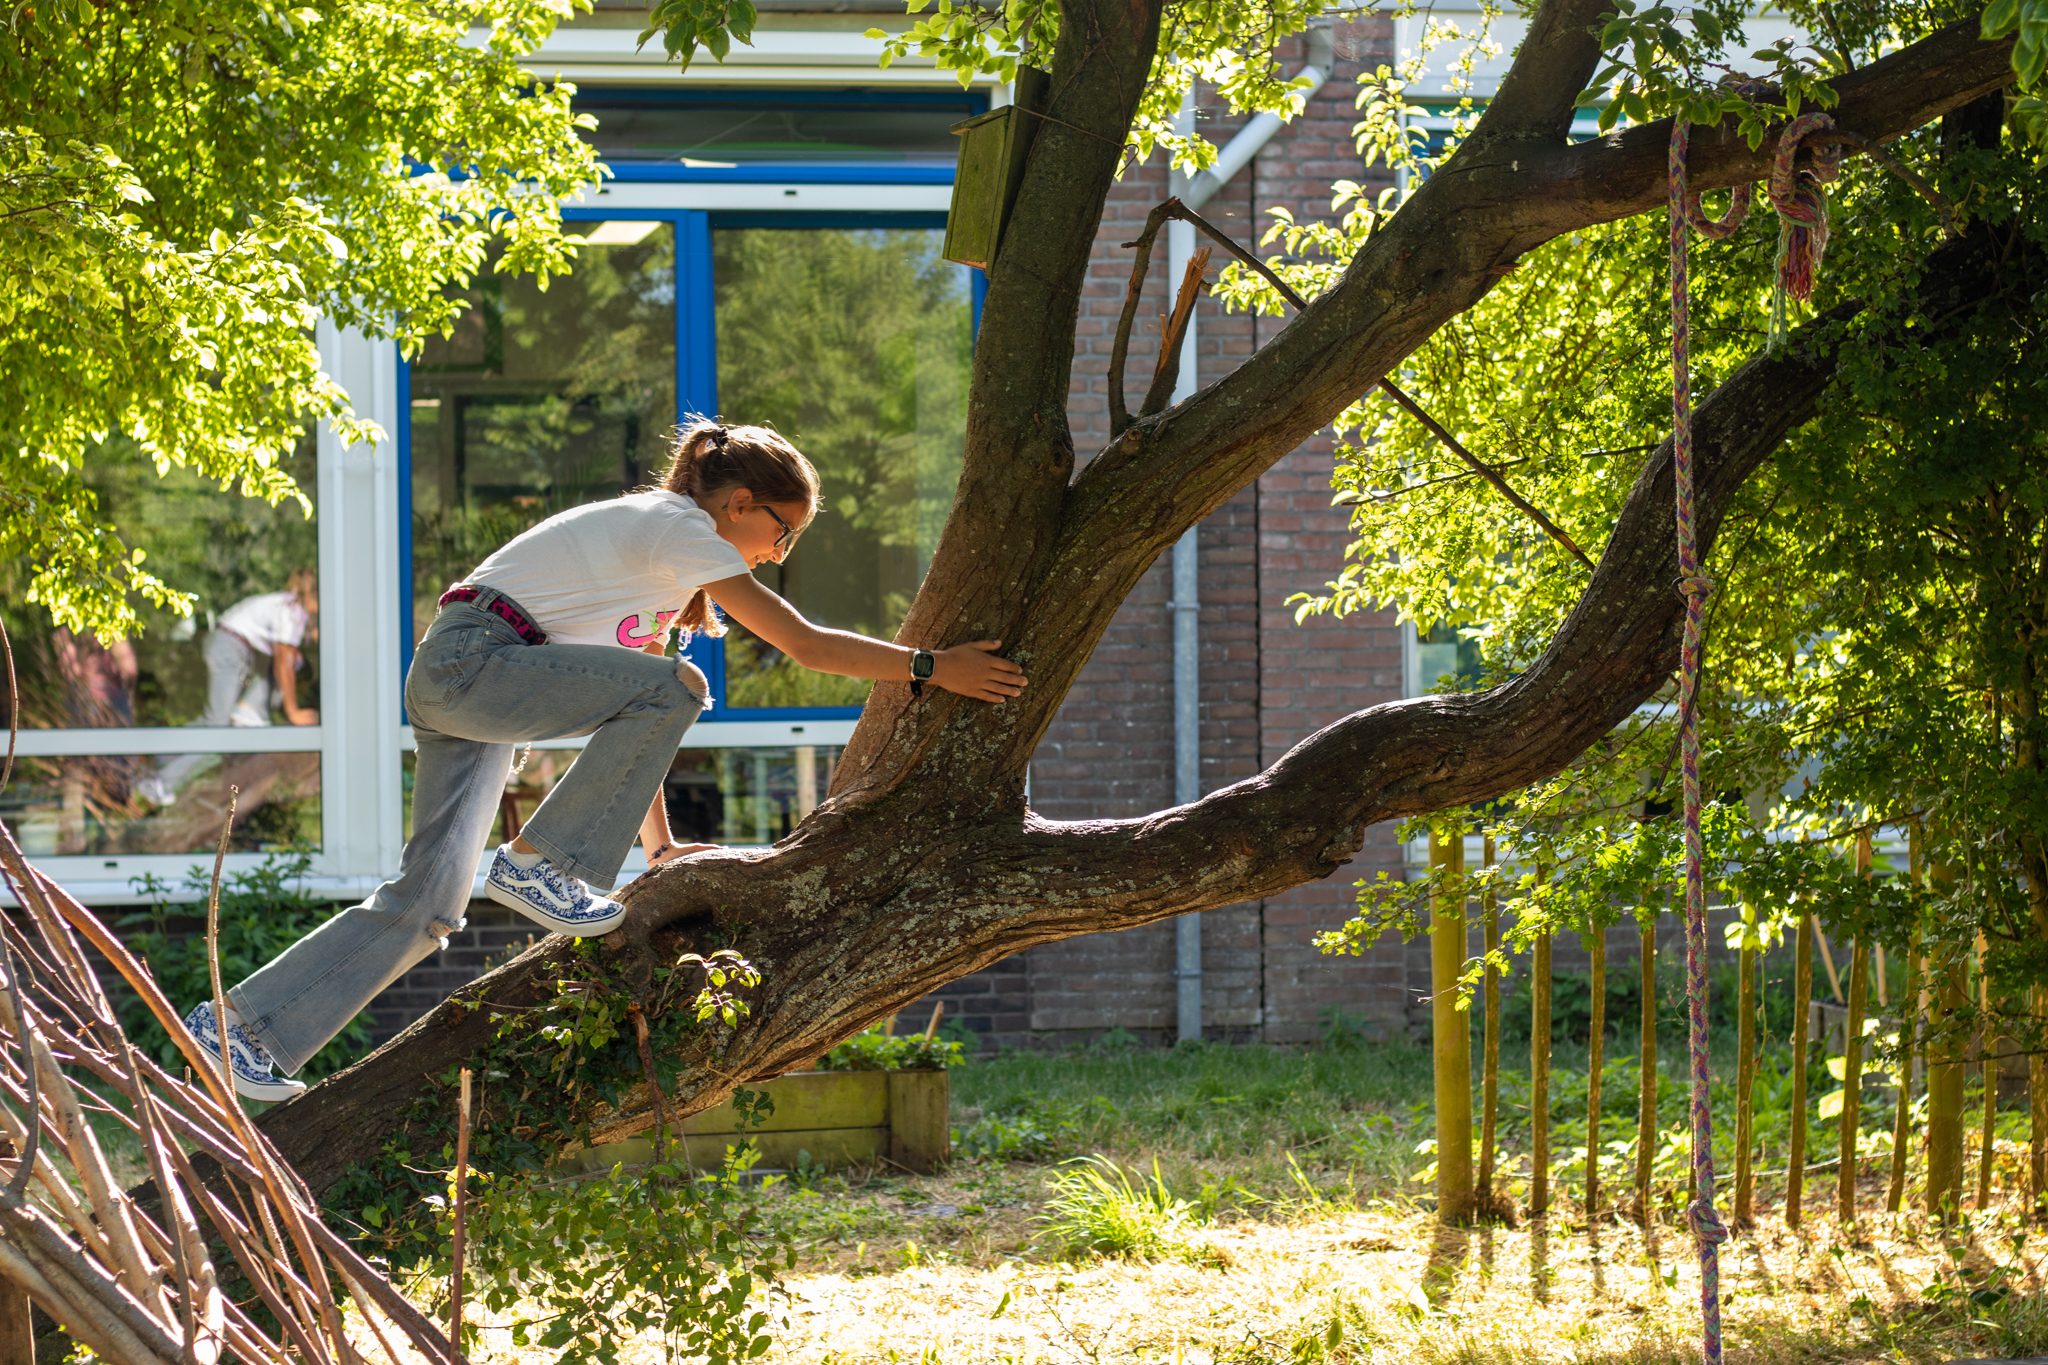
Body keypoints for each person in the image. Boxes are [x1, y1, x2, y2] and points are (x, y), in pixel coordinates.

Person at [183, 420, 1026, 1099]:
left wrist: (659, 848)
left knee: (427, 906)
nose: (779, 553)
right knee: (679, 685)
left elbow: (633, 734)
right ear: (739, 503)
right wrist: (930, 666)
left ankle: (238, 1029)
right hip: (477, 661)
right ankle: (539, 864)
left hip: (469, 677)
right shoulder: (677, 526)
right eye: (783, 531)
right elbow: (801, 643)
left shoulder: (661, 560)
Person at [144, 569, 319, 804]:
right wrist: (293, 711)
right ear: (312, 595)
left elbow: (289, 654)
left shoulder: (286, 606)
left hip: (228, 644)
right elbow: (283, 664)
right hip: (231, 647)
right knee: (220, 735)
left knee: (212, 723)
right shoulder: (292, 613)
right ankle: (162, 783)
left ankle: (160, 758)